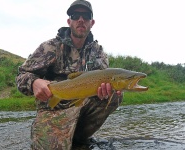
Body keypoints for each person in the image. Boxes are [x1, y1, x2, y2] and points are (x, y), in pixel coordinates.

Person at [16, 0, 123, 149]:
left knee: (115, 95)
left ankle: (78, 137)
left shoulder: (98, 53)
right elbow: (21, 75)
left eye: (85, 16)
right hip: (53, 109)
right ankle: (63, 135)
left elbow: (102, 91)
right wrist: (34, 82)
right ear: (69, 21)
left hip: (82, 106)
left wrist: (105, 93)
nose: (81, 19)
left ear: (92, 22)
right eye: (75, 15)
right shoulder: (50, 47)